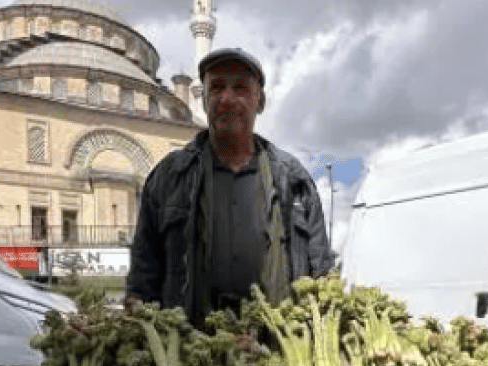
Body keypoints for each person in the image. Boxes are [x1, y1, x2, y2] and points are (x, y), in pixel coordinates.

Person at [124, 47, 336, 326]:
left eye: (240, 88)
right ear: (204, 100)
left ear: (260, 102)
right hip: (191, 344)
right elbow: (143, 277)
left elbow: (321, 274)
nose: (226, 98)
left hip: (275, 343)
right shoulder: (169, 177)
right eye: (217, 87)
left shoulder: (293, 180)